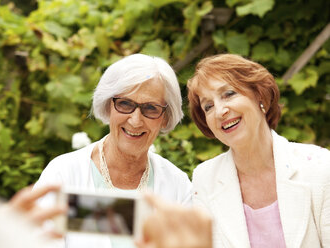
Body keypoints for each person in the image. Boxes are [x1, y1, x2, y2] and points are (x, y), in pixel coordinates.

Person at [33, 53, 193, 248]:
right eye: (125, 104)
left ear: (165, 117)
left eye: (150, 108)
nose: (135, 120)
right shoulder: (64, 174)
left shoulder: (177, 185)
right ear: (109, 106)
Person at [187, 54, 330, 247]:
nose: (220, 111)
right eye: (208, 106)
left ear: (259, 96)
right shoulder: (205, 179)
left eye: (228, 94)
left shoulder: (320, 167)